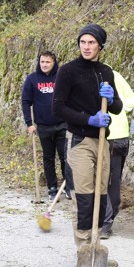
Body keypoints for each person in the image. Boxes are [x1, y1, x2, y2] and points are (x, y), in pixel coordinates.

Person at [53, 24, 122, 246]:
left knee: (101, 196)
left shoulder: (106, 72)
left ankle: (96, 246)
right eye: (83, 42)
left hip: (102, 141)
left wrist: (111, 100)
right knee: (84, 196)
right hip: (79, 140)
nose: (86, 46)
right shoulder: (68, 71)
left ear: (100, 45)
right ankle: (84, 249)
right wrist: (88, 119)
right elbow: (58, 108)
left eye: (91, 42)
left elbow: (118, 108)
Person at [21, 51, 72, 200]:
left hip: (62, 124)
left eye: (48, 62)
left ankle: (68, 186)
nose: (44, 65)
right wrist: (29, 123)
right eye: (42, 62)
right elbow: (25, 102)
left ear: (54, 63)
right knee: (48, 158)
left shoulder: (61, 77)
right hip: (43, 126)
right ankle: (52, 188)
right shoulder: (32, 79)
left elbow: (70, 97)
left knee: (65, 157)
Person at [100, 71, 134, 240]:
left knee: (102, 180)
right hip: (122, 137)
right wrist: (121, 111)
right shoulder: (115, 75)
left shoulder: (93, 75)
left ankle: (106, 222)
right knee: (113, 181)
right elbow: (131, 101)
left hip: (108, 138)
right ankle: (109, 218)